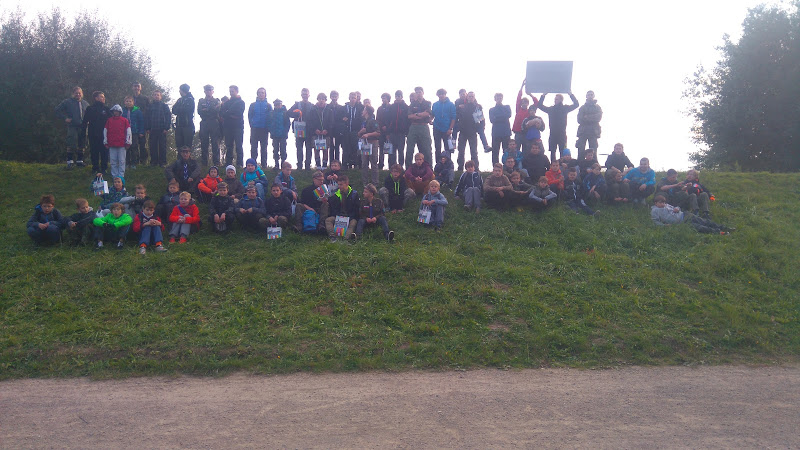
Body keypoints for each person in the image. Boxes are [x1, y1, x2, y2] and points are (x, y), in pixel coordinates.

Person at [651, 194, 734, 234]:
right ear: (655, 203)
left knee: (703, 221)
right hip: (682, 222)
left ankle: (724, 227)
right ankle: (720, 232)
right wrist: (664, 225)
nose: (663, 204)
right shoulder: (654, 211)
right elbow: (655, 221)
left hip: (685, 215)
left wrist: (677, 208)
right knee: (700, 227)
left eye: (663, 202)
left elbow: (677, 207)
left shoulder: (667, 205)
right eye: (660, 203)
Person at [537, 92, 580, 162]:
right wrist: (543, 95)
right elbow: (539, 105)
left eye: (556, 99)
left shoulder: (565, 108)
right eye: (555, 99)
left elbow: (576, 104)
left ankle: (562, 166)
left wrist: (570, 94)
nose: (555, 100)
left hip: (562, 134)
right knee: (552, 152)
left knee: (562, 152)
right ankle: (552, 166)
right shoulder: (551, 109)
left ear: (561, 100)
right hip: (552, 134)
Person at [55, 86, 90, 169]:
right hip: (72, 125)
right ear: (73, 94)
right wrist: (65, 118)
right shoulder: (68, 102)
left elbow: (89, 114)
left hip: (83, 126)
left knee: (82, 143)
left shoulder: (85, 103)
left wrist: (89, 120)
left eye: (79, 93)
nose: (78, 94)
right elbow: (57, 110)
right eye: (76, 93)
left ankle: (80, 161)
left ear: (82, 94)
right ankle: (70, 161)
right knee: (71, 142)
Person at [83, 91, 111, 174]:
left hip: (104, 134)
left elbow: (111, 121)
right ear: (96, 98)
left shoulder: (107, 109)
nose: (103, 98)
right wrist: (83, 132)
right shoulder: (90, 109)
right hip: (93, 134)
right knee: (94, 151)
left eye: (104, 97)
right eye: (101, 97)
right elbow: (85, 121)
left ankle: (104, 168)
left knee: (104, 151)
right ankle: (95, 168)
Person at [325, 175, 360, 242]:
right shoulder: (335, 195)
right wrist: (338, 217)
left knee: (353, 223)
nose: (339, 186)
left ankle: (346, 239)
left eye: (341, 184)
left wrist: (349, 217)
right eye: (338, 184)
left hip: (350, 216)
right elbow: (333, 208)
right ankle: (332, 237)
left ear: (347, 184)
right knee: (328, 220)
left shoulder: (354, 194)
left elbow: (356, 208)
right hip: (338, 216)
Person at [288, 88, 315, 170]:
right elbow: (288, 113)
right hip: (299, 129)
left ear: (309, 95)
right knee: (299, 148)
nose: (305, 96)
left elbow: (316, 117)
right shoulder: (297, 104)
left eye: (306, 94)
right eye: (303, 94)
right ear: (301, 95)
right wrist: (296, 114)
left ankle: (307, 166)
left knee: (309, 149)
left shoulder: (312, 106)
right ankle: (299, 166)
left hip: (309, 130)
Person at [455, 91, 483, 171]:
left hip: (472, 132)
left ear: (474, 97)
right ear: (467, 97)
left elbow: (481, 119)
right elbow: (456, 115)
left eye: (472, 96)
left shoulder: (477, 107)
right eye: (469, 96)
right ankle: (460, 168)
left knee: (474, 152)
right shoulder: (462, 107)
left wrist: (481, 128)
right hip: (463, 132)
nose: (471, 98)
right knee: (461, 151)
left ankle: (476, 168)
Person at [406, 87, 433, 166]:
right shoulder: (412, 104)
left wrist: (417, 115)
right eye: (417, 92)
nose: (418, 94)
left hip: (424, 127)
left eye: (419, 92)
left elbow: (427, 113)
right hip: (414, 127)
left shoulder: (427, 103)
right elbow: (409, 116)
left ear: (423, 93)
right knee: (410, 149)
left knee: (427, 149)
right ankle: (408, 168)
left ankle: (428, 168)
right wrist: (421, 115)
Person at [103, 105, 132, 179]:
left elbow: (128, 132)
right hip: (112, 144)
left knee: (122, 161)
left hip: (122, 144)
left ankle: (121, 177)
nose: (115, 112)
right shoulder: (109, 120)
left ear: (120, 112)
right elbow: (105, 131)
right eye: (114, 111)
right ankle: (114, 177)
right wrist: (106, 142)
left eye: (117, 111)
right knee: (113, 161)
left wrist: (128, 142)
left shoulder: (124, 120)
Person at [220, 85, 246, 167]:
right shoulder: (227, 103)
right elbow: (222, 113)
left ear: (237, 91)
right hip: (228, 127)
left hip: (238, 127)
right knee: (229, 146)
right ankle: (228, 163)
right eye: (230, 91)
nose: (231, 93)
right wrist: (230, 114)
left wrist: (228, 113)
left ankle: (239, 164)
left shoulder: (241, 102)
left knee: (238, 146)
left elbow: (239, 113)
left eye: (232, 91)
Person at [145, 90, 171, 167]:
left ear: (160, 97)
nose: (156, 96)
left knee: (162, 146)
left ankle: (163, 162)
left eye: (158, 95)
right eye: (155, 95)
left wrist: (166, 128)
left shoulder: (164, 106)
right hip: (152, 129)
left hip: (162, 129)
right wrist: (147, 128)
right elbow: (147, 117)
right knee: (153, 146)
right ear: (153, 96)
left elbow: (168, 117)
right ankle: (153, 162)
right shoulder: (150, 106)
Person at [197, 85, 222, 166]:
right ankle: (204, 163)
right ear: (204, 91)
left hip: (214, 122)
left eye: (210, 90)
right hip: (204, 122)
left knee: (215, 143)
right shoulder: (201, 101)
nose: (208, 92)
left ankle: (216, 162)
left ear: (212, 91)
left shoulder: (216, 100)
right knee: (204, 143)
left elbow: (217, 110)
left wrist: (207, 109)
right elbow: (199, 111)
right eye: (207, 90)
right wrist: (211, 109)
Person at [248, 87, 272, 168]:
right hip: (255, 128)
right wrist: (252, 124)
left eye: (262, 93)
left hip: (264, 129)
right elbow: (249, 116)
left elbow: (271, 117)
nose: (261, 94)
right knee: (254, 147)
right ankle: (253, 165)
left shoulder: (268, 106)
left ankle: (264, 165)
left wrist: (268, 127)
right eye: (259, 92)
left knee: (264, 148)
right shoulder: (253, 105)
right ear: (257, 94)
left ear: (265, 94)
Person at [431, 88, 457, 164]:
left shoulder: (451, 105)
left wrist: (450, 128)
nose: (441, 96)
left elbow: (453, 117)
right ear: (437, 95)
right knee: (437, 148)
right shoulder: (435, 104)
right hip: (436, 128)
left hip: (447, 130)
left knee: (448, 149)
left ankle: (448, 165)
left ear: (445, 94)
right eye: (440, 94)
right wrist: (430, 120)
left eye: (443, 94)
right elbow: (432, 115)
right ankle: (438, 165)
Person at [576, 90, 603, 160]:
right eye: (588, 95)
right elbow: (579, 119)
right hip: (583, 131)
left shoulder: (598, 107)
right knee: (581, 150)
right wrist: (592, 117)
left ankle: (594, 164)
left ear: (593, 96)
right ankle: (580, 164)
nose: (590, 96)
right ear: (586, 96)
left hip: (594, 131)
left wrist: (587, 117)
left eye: (591, 95)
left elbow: (598, 117)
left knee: (593, 151)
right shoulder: (582, 108)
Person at [339, 92, 364, 169]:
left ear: (356, 99)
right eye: (352, 97)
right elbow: (339, 118)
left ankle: (355, 165)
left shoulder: (360, 108)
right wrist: (343, 119)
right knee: (346, 149)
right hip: (346, 132)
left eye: (354, 98)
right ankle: (345, 165)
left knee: (355, 149)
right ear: (349, 98)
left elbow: (362, 119)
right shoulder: (343, 108)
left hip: (355, 132)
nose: (353, 99)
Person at [358, 105, 381, 186]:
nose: (362, 112)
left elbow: (378, 132)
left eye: (364, 110)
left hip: (372, 143)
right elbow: (360, 134)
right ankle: (365, 183)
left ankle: (375, 183)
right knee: (364, 163)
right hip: (364, 143)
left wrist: (368, 134)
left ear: (367, 111)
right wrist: (360, 132)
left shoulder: (373, 121)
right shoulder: (363, 121)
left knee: (373, 163)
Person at [385, 90, 409, 169]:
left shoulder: (406, 107)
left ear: (402, 97)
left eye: (399, 96)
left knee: (401, 151)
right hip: (392, 133)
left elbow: (407, 121)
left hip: (401, 133)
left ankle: (401, 167)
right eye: (396, 96)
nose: (398, 97)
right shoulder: (391, 107)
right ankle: (391, 168)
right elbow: (387, 120)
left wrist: (406, 132)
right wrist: (388, 132)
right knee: (391, 151)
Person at [489, 93, 512, 166]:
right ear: (495, 99)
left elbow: (508, 115)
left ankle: (507, 167)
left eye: (500, 98)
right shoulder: (491, 109)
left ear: (502, 99)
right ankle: (495, 167)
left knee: (506, 151)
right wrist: (503, 117)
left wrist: (497, 117)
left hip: (506, 132)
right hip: (496, 133)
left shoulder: (507, 107)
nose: (499, 99)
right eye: (497, 98)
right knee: (495, 152)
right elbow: (492, 120)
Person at [121, 96, 144, 170]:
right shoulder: (122, 111)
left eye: (130, 101)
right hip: (125, 132)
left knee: (134, 147)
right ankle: (127, 163)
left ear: (133, 102)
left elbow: (141, 122)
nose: (128, 103)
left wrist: (141, 131)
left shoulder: (137, 111)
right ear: (124, 102)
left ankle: (134, 163)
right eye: (127, 101)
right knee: (126, 147)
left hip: (134, 132)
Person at [512, 79, 538, 145]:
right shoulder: (518, 109)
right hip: (518, 133)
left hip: (526, 133)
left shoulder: (529, 111)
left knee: (526, 150)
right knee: (517, 149)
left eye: (526, 103)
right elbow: (518, 98)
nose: (524, 104)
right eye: (523, 103)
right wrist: (522, 86)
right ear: (521, 104)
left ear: (528, 104)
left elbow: (536, 103)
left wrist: (530, 94)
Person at [130, 82, 149, 164]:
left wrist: (148, 126)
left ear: (140, 88)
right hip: (132, 124)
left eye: (138, 86)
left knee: (142, 143)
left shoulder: (145, 98)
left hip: (142, 124)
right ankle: (135, 160)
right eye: (135, 86)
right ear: (132, 88)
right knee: (133, 144)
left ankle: (144, 160)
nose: (136, 88)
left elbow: (149, 112)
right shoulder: (130, 98)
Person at [172, 84, 195, 151]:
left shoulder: (190, 99)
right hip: (179, 126)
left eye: (180, 90)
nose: (179, 91)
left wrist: (179, 109)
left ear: (183, 90)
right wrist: (181, 109)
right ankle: (179, 158)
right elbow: (173, 110)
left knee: (187, 147)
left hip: (188, 126)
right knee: (179, 146)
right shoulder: (179, 100)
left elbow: (188, 110)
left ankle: (188, 158)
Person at [270, 99, 290, 169]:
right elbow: (269, 123)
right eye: (276, 105)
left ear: (281, 105)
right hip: (274, 135)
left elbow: (288, 124)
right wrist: (271, 131)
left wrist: (285, 132)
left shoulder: (285, 113)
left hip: (282, 135)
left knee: (283, 150)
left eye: (279, 104)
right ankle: (276, 164)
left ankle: (283, 164)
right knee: (275, 150)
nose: (277, 106)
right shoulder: (272, 113)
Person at [376, 93, 392, 170]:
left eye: (384, 98)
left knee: (389, 149)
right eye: (382, 98)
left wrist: (387, 128)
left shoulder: (392, 107)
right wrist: (381, 127)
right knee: (381, 149)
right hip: (381, 132)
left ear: (388, 99)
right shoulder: (379, 109)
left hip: (389, 131)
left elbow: (392, 119)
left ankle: (390, 165)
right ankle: (380, 165)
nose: (383, 100)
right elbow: (377, 120)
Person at [328, 90, 343, 165]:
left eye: (335, 96)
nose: (334, 98)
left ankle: (337, 164)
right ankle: (331, 164)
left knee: (337, 147)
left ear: (338, 97)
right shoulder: (327, 107)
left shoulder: (341, 107)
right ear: (330, 97)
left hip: (338, 130)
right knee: (331, 147)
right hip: (329, 130)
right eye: (333, 96)